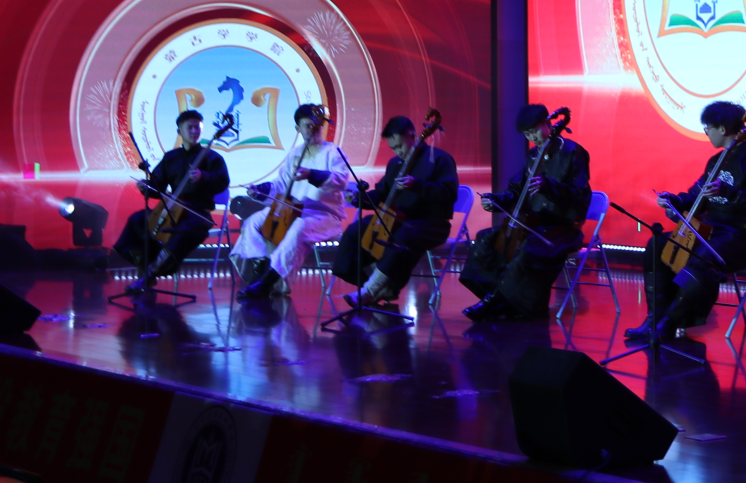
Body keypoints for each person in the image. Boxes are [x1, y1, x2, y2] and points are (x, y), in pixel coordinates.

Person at [625, 101, 746, 344]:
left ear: (723, 129)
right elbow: (696, 195)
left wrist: (728, 191)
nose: (706, 133)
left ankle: (669, 323)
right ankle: (655, 318)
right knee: (657, 245)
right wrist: (674, 199)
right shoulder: (716, 161)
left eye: (708, 128)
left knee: (704, 256)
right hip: (709, 231)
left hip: (742, 236)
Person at [462, 104, 592, 322]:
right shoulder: (533, 155)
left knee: (529, 247)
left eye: (534, 131)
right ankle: (498, 297)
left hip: (563, 227)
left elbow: (580, 195)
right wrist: (495, 199)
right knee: (485, 239)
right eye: (527, 134)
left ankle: (500, 301)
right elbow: (516, 189)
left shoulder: (574, 152)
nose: (533, 138)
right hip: (533, 223)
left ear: (547, 124)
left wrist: (550, 186)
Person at [336, 115, 459, 313]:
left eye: (400, 146)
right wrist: (358, 199)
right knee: (355, 231)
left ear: (413, 136)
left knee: (401, 238)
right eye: (393, 148)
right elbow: (382, 193)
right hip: (396, 220)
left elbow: (449, 194)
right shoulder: (395, 163)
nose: (398, 152)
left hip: (431, 223)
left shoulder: (439, 158)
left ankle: (371, 290)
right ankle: (381, 286)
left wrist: (417, 185)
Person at [230, 103, 351, 300]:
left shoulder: (333, 152)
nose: (312, 129)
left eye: (316, 125)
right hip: (291, 211)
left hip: (324, 215)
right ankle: (259, 272)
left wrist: (311, 174)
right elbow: (281, 185)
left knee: (298, 227)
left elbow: (341, 180)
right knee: (253, 222)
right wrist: (261, 189)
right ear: (298, 128)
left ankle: (268, 282)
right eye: (307, 125)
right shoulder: (295, 153)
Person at [113, 109, 230, 294]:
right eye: (189, 127)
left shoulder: (213, 158)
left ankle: (151, 274)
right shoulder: (171, 157)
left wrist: (204, 176)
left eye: (197, 128)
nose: (194, 131)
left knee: (181, 232)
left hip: (198, 212)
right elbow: (158, 186)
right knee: (138, 220)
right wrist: (146, 186)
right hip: (171, 209)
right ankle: (143, 269)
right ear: (179, 131)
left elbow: (223, 182)